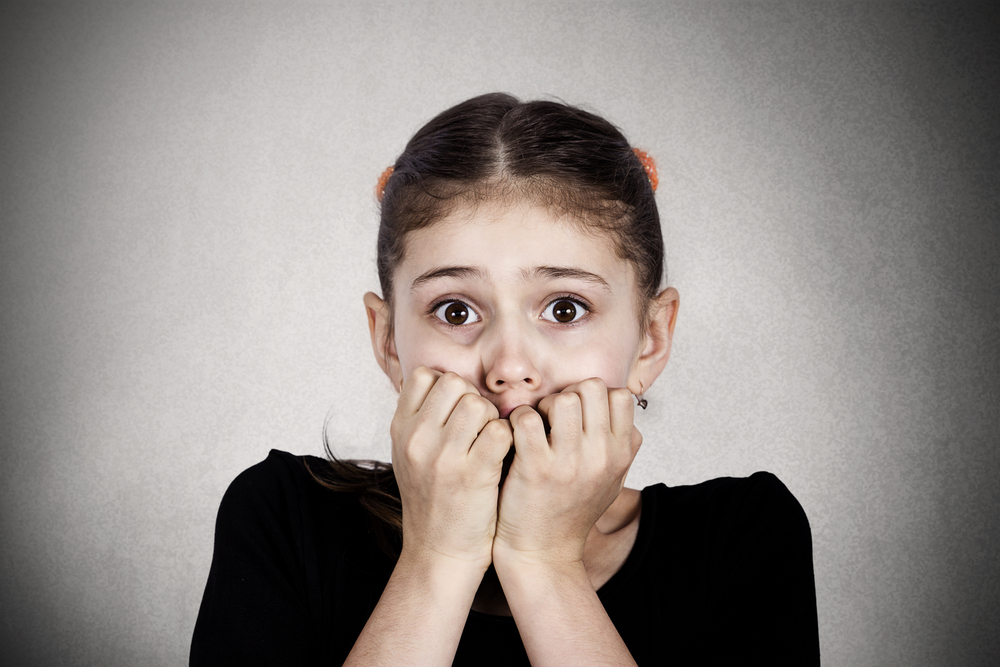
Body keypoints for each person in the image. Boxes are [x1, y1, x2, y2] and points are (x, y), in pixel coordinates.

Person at [190, 93, 820, 666]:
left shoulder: (745, 536)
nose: (508, 367)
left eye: (565, 309)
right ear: (387, 340)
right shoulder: (279, 516)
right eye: (455, 311)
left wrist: (543, 562)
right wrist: (437, 560)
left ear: (651, 338)